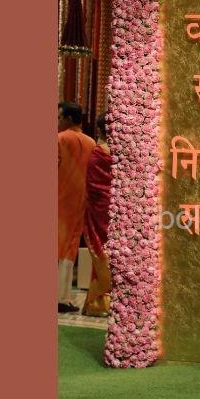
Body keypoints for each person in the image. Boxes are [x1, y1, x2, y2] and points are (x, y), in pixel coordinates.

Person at [58, 101, 96, 313]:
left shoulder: (60, 139)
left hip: (59, 200)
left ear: (69, 119)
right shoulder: (91, 143)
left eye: (59, 117)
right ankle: (62, 298)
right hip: (80, 204)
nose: (57, 122)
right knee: (69, 249)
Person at [82, 112, 112, 317]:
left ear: (100, 130)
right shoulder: (125, 154)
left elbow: (93, 187)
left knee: (101, 251)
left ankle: (99, 303)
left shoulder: (97, 153)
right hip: (122, 210)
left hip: (100, 211)